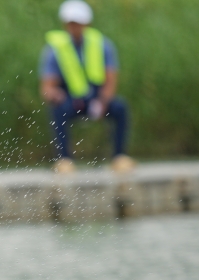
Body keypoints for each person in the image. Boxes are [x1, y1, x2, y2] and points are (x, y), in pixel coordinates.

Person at [39, 0, 135, 173]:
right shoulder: (55, 49)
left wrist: (103, 101)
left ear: (86, 23)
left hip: (98, 98)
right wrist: (54, 94)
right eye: (71, 23)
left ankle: (119, 157)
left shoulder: (103, 45)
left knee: (121, 107)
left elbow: (110, 80)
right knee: (56, 109)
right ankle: (64, 160)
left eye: (77, 23)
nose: (74, 27)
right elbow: (47, 87)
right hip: (71, 100)